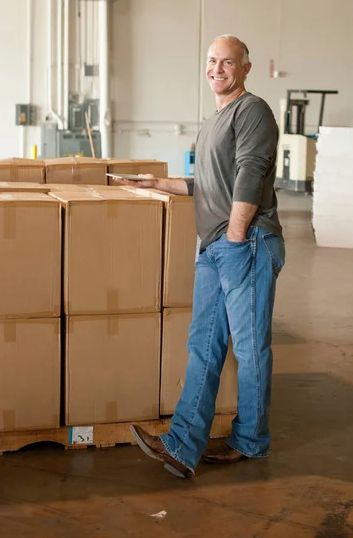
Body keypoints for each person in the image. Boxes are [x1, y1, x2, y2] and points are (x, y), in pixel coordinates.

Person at [117, 35, 285, 479]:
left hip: (245, 243)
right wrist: (159, 183)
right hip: (215, 247)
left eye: (227, 62)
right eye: (212, 61)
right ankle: (182, 445)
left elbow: (251, 172)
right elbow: (208, 184)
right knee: (203, 344)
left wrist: (233, 237)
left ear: (245, 68)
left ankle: (251, 440)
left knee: (249, 349)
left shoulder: (253, 111)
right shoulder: (216, 118)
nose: (217, 69)